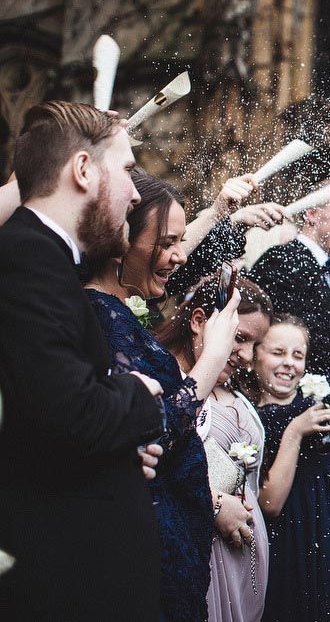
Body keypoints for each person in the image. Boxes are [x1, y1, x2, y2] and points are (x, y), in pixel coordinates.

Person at [0, 101, 165, 621]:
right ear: (83, 169)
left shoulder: (47, 259)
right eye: (127, 169)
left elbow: (40, 413)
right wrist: (141, 393)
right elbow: (71, 417)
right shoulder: (29, 257)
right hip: (62, 583)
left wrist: (115, 450)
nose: (137, 193)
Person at [84, 167, 242, 622]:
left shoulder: (122, 306)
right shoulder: (99, 316)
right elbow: (152, 434)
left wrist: (216, 213)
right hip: (144, 561)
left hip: (173, 557)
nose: (178, 256)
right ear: (119, 240)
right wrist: (211, 361)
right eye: (166, 243)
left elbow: (165, 250)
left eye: (179, 242)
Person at [157, 275, 274, 622]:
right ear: (198, 322)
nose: (247, 357)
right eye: (240, 339)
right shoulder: (163, 379)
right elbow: (149, 458)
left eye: (255, 345)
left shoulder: (231, 395)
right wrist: (216, 504)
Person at [253, 315, 330, 621]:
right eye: (278, 353)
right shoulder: (253, 419)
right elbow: (268, 503)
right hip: (292, 534)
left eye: (298, 355)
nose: (289, 363)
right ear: (255, 357)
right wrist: (295, 430)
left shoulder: (322, 402)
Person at [249, 178, 330, 413]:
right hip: (292, 413)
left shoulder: (326, 272)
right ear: (312, 214)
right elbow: (295, 345)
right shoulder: (284, 260)